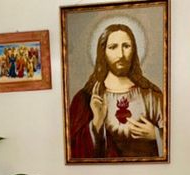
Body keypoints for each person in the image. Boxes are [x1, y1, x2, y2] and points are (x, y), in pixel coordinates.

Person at [68, 24, 165, 159]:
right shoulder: (86, 98)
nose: (121, 55)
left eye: (126, 46)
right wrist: (96, 123)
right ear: (103, 52)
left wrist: (156, 135)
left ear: (134, 50)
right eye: (113, 47)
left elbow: (177, 142)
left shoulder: (151, 95)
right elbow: (74, 150)